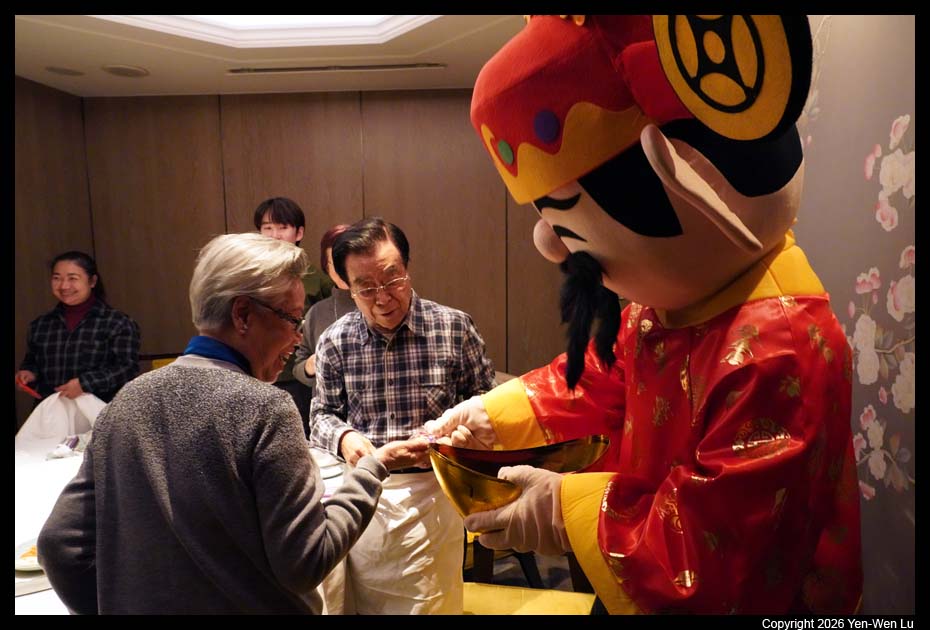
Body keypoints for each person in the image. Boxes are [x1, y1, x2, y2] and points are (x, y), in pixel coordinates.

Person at [426, 15, 862, 615]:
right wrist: (490, 416)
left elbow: (718, 560)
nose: (551, 246)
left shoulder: (775, 347)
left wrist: (563, 511)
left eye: (564, 220)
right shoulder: (669, 308)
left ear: (682, 177)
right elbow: (600, 378)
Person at [37, 233, 429, 614]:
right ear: (242, 314)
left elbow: (60, 547)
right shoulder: (264, 409)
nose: (297, 338)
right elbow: (305, 562)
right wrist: (370, 471)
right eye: (292, 319)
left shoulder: (126, 402)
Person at [308, 217, 496, 614]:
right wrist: (346, 439)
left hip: (433, 491)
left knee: (430, 604)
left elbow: (485, 401)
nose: (382, 298)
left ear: (407, 269)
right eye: (366, 288)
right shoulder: (336, 340)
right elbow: (322, 414)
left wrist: (465, 433)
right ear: (347, 287)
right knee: (364, 601)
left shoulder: (453, 328)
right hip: (366, 490)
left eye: (393, 279)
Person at [16, 250, 140, 403]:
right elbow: (31, 362)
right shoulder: (40, 325)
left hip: (101, 410)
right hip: (52, 410)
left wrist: (84, 384)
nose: (64, 286)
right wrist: (28, 373)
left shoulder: (117, 322)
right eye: (57, 278)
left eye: (72, 278)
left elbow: (127, 368)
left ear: (92, 281)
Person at [253, 196, 334, 424]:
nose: (275, 235)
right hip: (256, 372)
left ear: (299, 233)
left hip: (299, 377)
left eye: (282, 227)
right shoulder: (251, 276)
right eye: (267, 228)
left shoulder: (317, 279)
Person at [292, 224, 356, 437]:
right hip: (329, 422)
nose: (342, 268)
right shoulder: (317, 312)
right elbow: (298, 365)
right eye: (334, 261)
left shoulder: (380, 304)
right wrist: (310, 366)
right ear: (326, 266)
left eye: (347, 259)